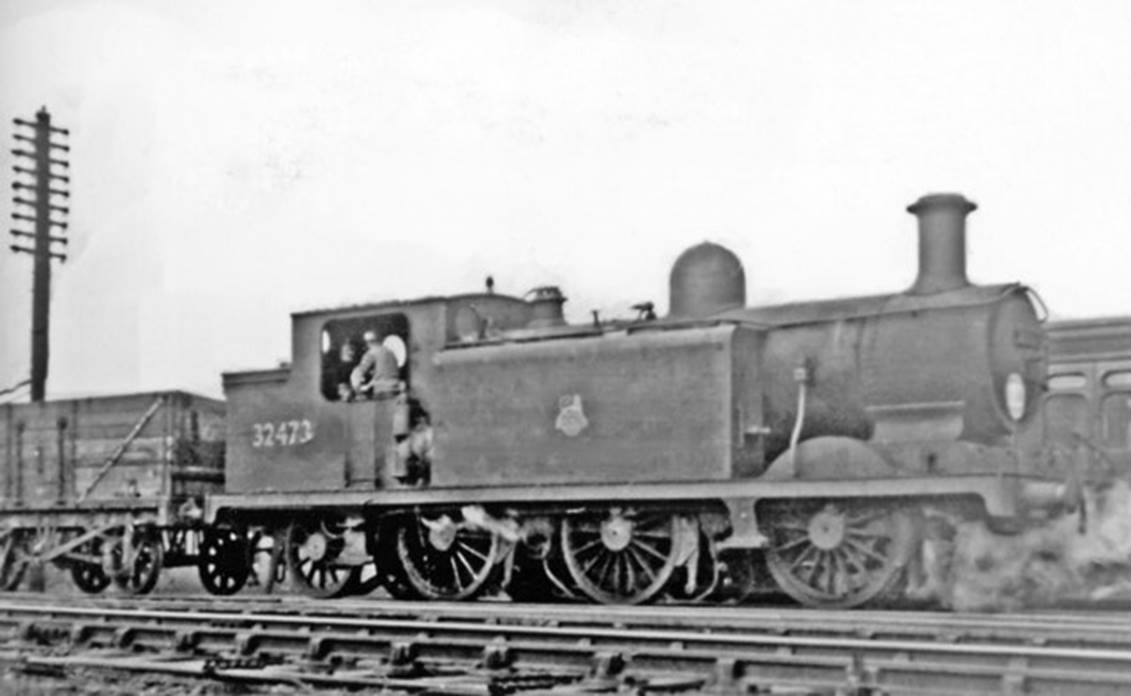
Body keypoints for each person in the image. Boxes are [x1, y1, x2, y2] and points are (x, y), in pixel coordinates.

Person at [351, 329, 402, 398]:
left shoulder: (371, 353)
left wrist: (357, 391)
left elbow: (359, 372)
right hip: (396, 390)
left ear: (367, 343)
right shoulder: (390, 352)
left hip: (382, 392)